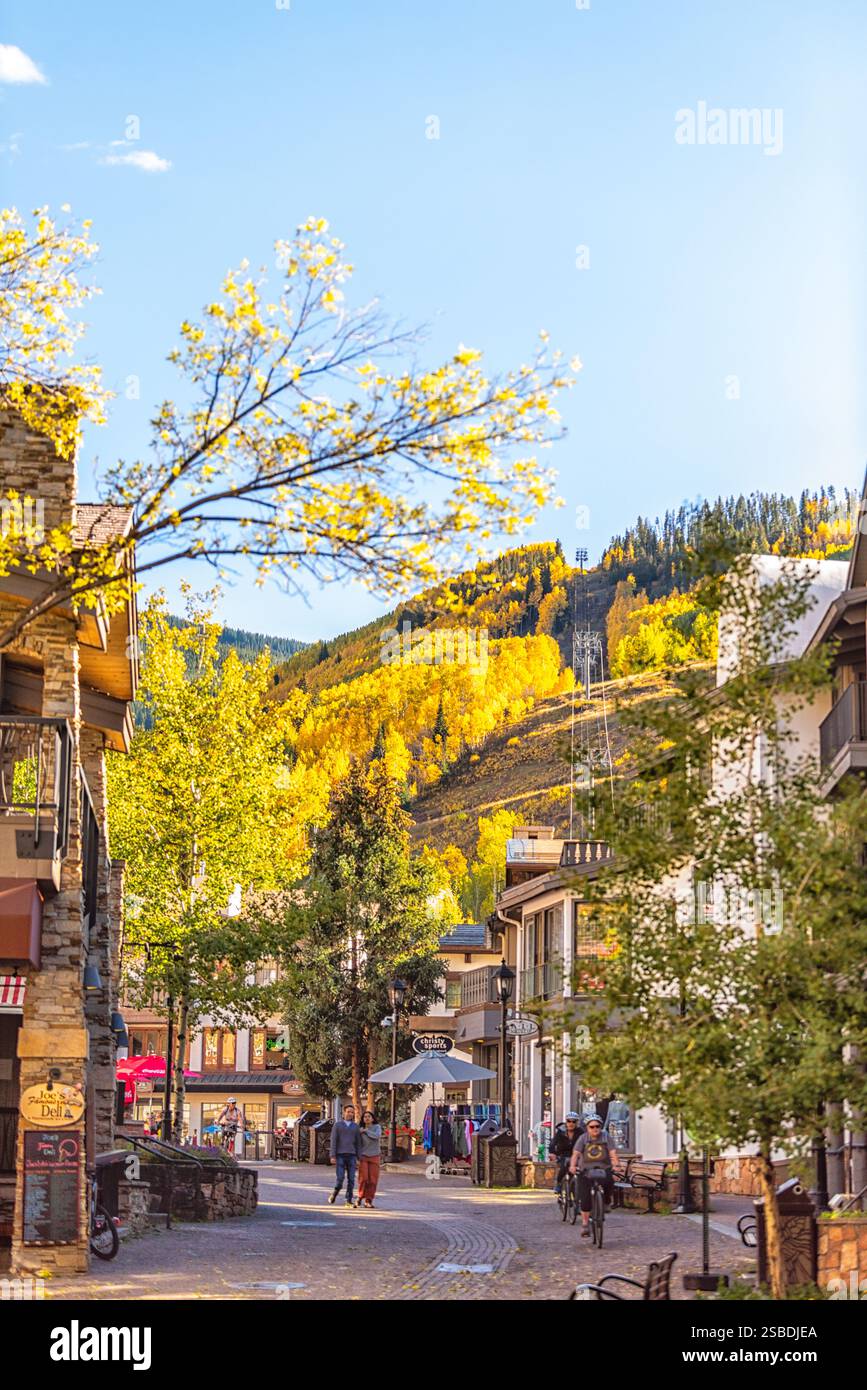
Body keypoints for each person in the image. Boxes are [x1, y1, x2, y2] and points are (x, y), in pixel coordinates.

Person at [569, 1113, 619, 1237]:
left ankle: (606, 1203)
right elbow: (575, 1154)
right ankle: (585, 1224)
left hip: (604, 1168)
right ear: (587, 1128)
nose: (595, 1129)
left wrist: (616, 1166)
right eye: (592, 1127)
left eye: (597, 1126)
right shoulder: (583, 1139)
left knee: (609, 1183)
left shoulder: (606, 1138)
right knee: (585, 1198)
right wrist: (573, 1166)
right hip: (586, 1170)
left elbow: (613, 1154)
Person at [328, 1104, 362, 1207]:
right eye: (348, 1111)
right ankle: (335, 1192)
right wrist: (332, 1155)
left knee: (351, 1179)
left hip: (352, 1155)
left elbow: (358, 1143)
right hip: (340, 1155)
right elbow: (333, 1141)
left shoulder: (355, 1127)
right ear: (344, 1113)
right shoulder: (337, 1125)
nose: (350, 1114)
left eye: (352, 1112)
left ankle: (348, 1199)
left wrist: (358, 1158)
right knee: (340, 1178)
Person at [549, 1112, 584, 1197]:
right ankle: (559, 1184)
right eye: (569, 1121)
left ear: (577, 1123)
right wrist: (552, 1153)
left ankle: (577, 1190)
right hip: (563, 1154)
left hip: (576, 1155)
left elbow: (585, 1143)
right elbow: (553, 1143)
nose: (571, 1123)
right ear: (566, 1122)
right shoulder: (561, 1132)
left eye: (574, 1121)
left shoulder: (580, 1132)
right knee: (564, 1166)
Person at [357, 1109, 383, 1208]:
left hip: (375, 1156)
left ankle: (369, 1200)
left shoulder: (377, 1127)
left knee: (373, 1179)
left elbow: (377, 1136)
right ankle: (360, 1196)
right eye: (365, 1117)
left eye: (369, 1117)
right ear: (362, 1119)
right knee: (363, 1178)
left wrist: (366, 1131)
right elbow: (357, 1143)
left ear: (372, 1119)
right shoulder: (359, 1129)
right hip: (363, 1156)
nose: (367, 1118)